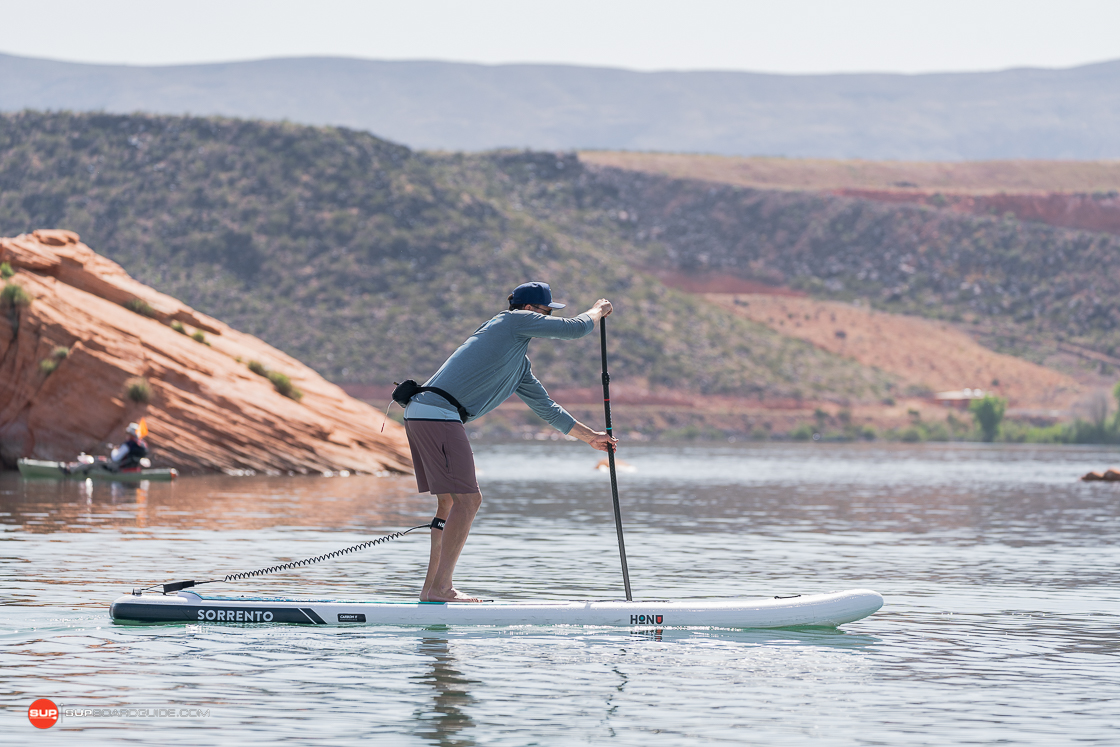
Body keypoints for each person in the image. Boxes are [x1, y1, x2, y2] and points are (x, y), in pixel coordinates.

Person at [404, 281, 616, 602]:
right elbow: (575, 329)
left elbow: (548, 409)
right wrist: (597, 312)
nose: (546, 320)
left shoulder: (517, 364)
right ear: (530, 310)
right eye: (546, 313)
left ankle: (431, 590)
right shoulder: (510, 321)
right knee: (469, 501)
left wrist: (592, 439)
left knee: (450, 503)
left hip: (422, 414)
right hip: (437, 415)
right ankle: (442, 589)